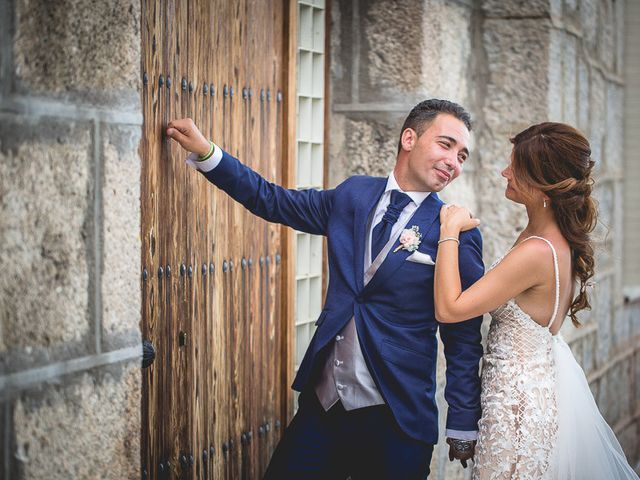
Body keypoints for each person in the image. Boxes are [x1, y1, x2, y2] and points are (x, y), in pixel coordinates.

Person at [166, 99, 485, 479]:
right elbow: (274, 200)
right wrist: (207, 153)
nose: (454, 162)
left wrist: (463, 419)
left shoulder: (457, 231)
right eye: (446, 145)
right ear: (409, 138)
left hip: (396, 419)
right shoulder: (353, 196)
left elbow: (463, 335)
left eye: (462, 155)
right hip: (323, 406)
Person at [434, 122, 639, 479]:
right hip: (530, 388)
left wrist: (449, 231)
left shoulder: (537, 251)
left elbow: (450, 309)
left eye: (515, 167)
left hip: (515, 404)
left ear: (543, 183)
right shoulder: (552, 239)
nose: (504, 172)